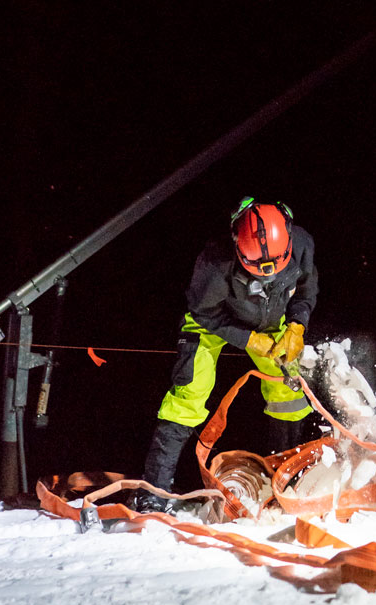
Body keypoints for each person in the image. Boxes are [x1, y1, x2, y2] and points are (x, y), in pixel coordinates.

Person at [135, 197, 318, 513]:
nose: (269, 275)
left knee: (288, 393)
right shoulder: (214, 263)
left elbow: (305, 290)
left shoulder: (301, 243)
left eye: (276, 267)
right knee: (188, 396)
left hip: (270, 319)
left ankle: (287, 482)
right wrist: (249, 340)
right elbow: (204, 313)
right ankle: (155, 493)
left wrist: (297, 326)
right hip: (213, 321)